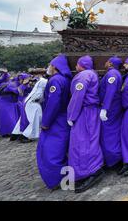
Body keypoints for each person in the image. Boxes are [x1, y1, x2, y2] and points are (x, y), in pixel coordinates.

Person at [67, 56, 104, 193]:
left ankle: (90, 171)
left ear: (80, 65)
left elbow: (77, 98)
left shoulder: (83, 76)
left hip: (85, 112)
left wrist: (71, 115)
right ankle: (92, 168)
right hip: (91, 111)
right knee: (91, 140)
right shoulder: (92, 74)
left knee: (82, 142)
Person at [36, 55, 72, 190]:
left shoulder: (56, 80)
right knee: (62, 149)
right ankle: (66, 178)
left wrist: (46, 122)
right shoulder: (65, 79)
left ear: (55, 66)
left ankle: (58, 179)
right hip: (63, 117)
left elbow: (53, 103)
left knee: (52, 151)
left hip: (56, 120)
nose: (48, 68)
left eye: (50, 65)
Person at [99, 57, 123, 170]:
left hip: (111, 108)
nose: (105, 62)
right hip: (113, 107)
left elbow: (110, 92)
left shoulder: (112, 74)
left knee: (109, 133)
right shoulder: (113, 73)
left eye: (107, 61)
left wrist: (105, 108)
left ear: (110, 63)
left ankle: (114, 158)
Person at [12, 70, 48, 142]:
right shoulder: (43, 81)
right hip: (32, 102)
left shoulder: (38, 81)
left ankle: (15, 134)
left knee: (23, 119)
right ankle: (25, 136)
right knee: (33, 119)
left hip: (29, 101)